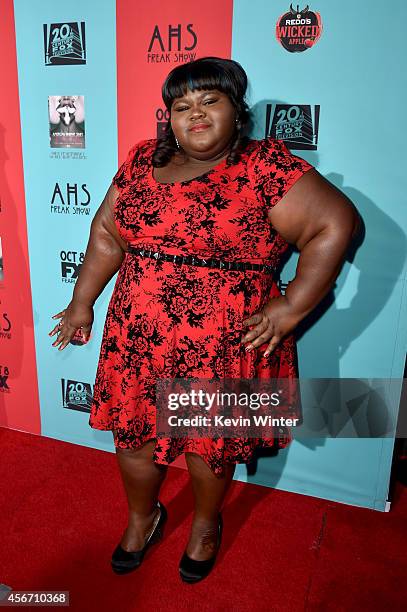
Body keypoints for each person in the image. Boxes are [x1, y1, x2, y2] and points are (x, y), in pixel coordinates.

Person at [49, 56, 360, 582]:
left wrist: (291, 307)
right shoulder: (142, 160)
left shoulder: (267, 166)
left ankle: (205, 524)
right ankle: (143, 518)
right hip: (139, 333)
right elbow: (107, 232)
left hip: (221, 341)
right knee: (132, 438)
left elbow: (335, 223)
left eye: (209, 102)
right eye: (181, 105)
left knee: (209, 450)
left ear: (236, 112)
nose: (195, 114)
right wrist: (83, 301)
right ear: (166, 116)